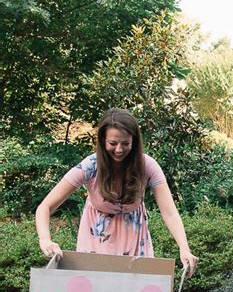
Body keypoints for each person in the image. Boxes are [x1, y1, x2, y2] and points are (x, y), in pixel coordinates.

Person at [36, 108, 198, 276]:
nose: (119, 149)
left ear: (134, 142)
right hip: (95, 241)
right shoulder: (90, 166)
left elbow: (170, 213)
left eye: (125, 143)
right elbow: (45, 207)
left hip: (135, 240)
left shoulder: (147, 166)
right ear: (103, 140)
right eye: (113, 143)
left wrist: (184, 249)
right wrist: (45, 239)